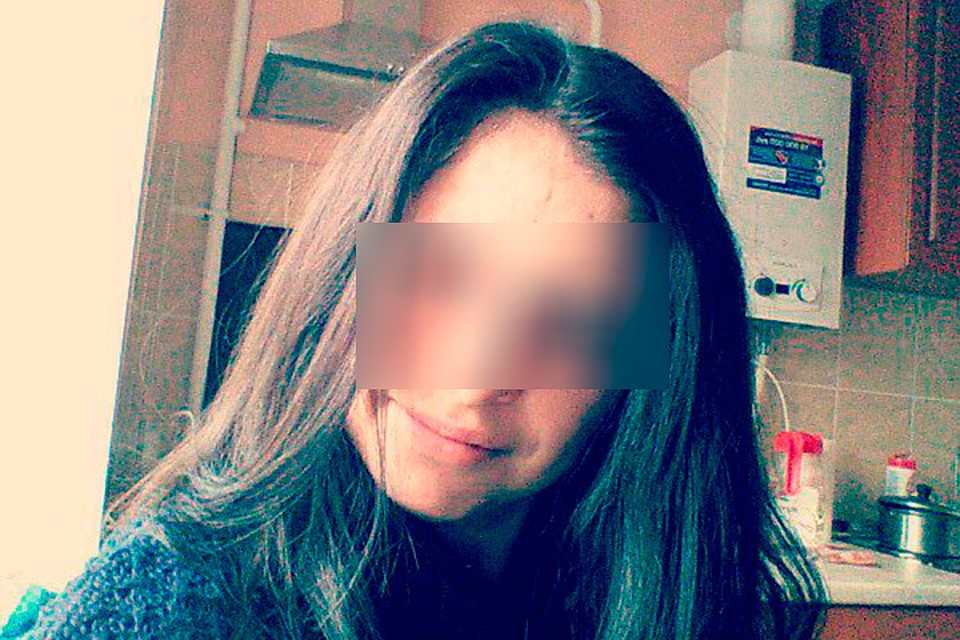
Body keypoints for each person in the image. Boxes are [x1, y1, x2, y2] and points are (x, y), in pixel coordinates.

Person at [25, 20, 824, 640]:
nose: (476, 374)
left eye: (569, 321)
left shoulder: (674, 601)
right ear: (344, 276)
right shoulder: (174, 602)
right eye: (438, 277)